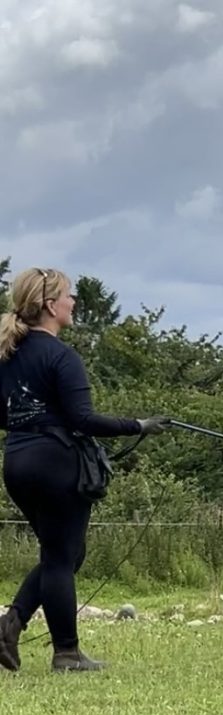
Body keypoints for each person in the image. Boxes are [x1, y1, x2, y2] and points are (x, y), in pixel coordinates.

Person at [0, 267, 172, 673]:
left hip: (18, 462)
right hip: (57, 463)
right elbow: (83, 419)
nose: (73, 302)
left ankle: (13, 623)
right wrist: (139, 426)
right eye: (68, 296)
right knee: (61, 557)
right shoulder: (61, 356)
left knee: (64, 553)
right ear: (49, 305)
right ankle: (67, 653)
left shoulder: (6, 355)